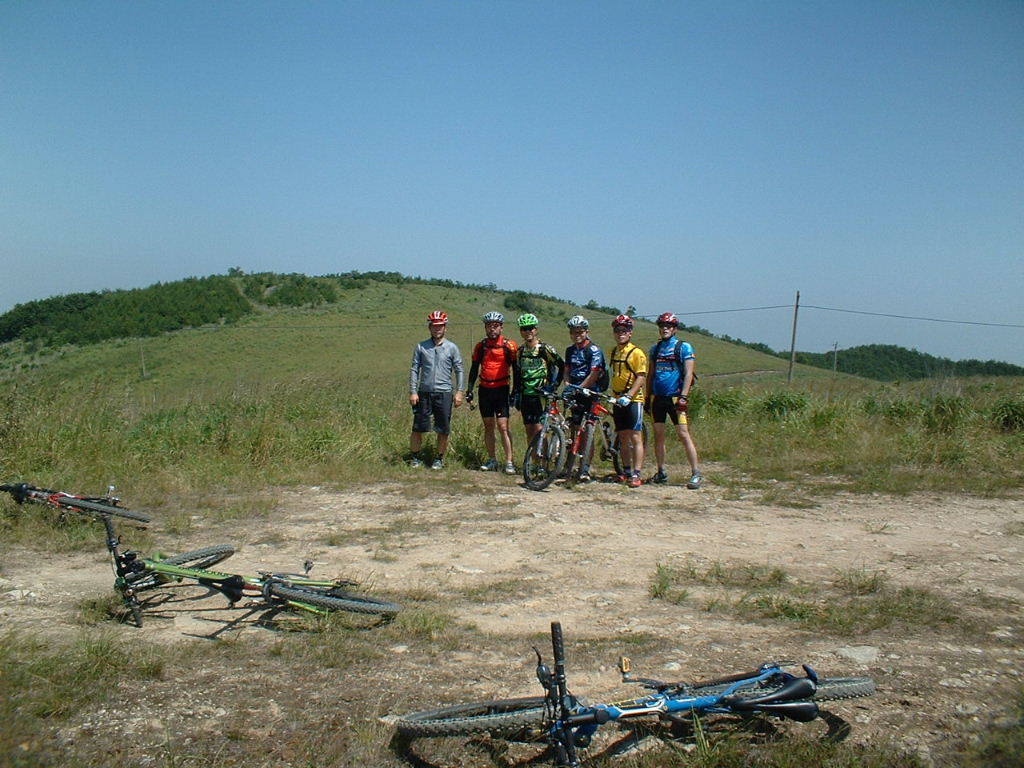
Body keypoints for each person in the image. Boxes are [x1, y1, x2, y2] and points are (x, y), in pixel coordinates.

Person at [647, 312, 702, 488]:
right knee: (659, 435)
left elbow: (688, 373)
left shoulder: (683, 347)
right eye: (662, 326)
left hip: (676, 398)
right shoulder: (655, 349)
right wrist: (647, 397)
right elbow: (651, 374)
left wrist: (684, 397)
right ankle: (661, 472)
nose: (665, 329)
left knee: (683, 434)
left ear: (675, 329)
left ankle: (695, 473)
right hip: (658, 398)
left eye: (668, 326)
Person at [409, 310, 465, 470]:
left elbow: (459, 370)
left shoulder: (452, 348)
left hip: (444, 392)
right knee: (418, 427)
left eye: (440, 326)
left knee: (443, 428)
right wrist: (413, 391)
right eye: (434, 326)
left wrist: (460, 391)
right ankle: (415, 457)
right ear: (430, 327)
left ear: (445, 328)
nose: (437, 329)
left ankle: (439, 458)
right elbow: (414, 369)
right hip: (424, 392)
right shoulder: (421, 347)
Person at [466, 311, 520, 474]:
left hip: (502, 390)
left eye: (495, 326)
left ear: (501, 327)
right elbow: (474, 369)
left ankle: (509, 461)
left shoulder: (509, 346)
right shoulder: (481, 346)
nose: (492, 329)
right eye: (489, 326)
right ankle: (492, 459)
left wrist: (515, 391)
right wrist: (469, 389)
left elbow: (516, 370)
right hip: (485, 390)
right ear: (485, 328)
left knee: (503, 426)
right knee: (488, 426)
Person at [562, 314, 607, 482]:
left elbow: (594, 373)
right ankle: (570, 464)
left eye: (580, 331)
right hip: (575, 392)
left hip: (591, 392)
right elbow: (567, 370)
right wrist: (568, 385)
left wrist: (580, 388)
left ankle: (585, 468)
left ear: (586, 332)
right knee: (575, 428)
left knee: (588, 431)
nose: (577, 335)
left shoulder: (594, 350)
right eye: (573, 332)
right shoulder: (570, 350)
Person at [609, 315, 648, 488]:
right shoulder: (613, 351)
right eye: (617, 330)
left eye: (624, 330)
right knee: (623, 437)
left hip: (633, 400)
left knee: (635, 437)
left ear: (630, 333)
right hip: (618, 398)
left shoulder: (637, 353)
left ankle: (636, 473)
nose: (620, 334)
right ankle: (625, 471)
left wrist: (630, 396)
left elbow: (641, 377)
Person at [513, 313, 564, 445]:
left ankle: (543, 458)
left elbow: (562, 366)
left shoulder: (545, 349)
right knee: (529, 430)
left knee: (540, 430)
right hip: (526, 395)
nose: (527, 332)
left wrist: (554, 386)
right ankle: (533, 457)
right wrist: (516, 393)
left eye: (530, 328)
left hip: (541, 395)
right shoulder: (520, 351)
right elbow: (517, 374)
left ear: (536, 329)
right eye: (524, 329)